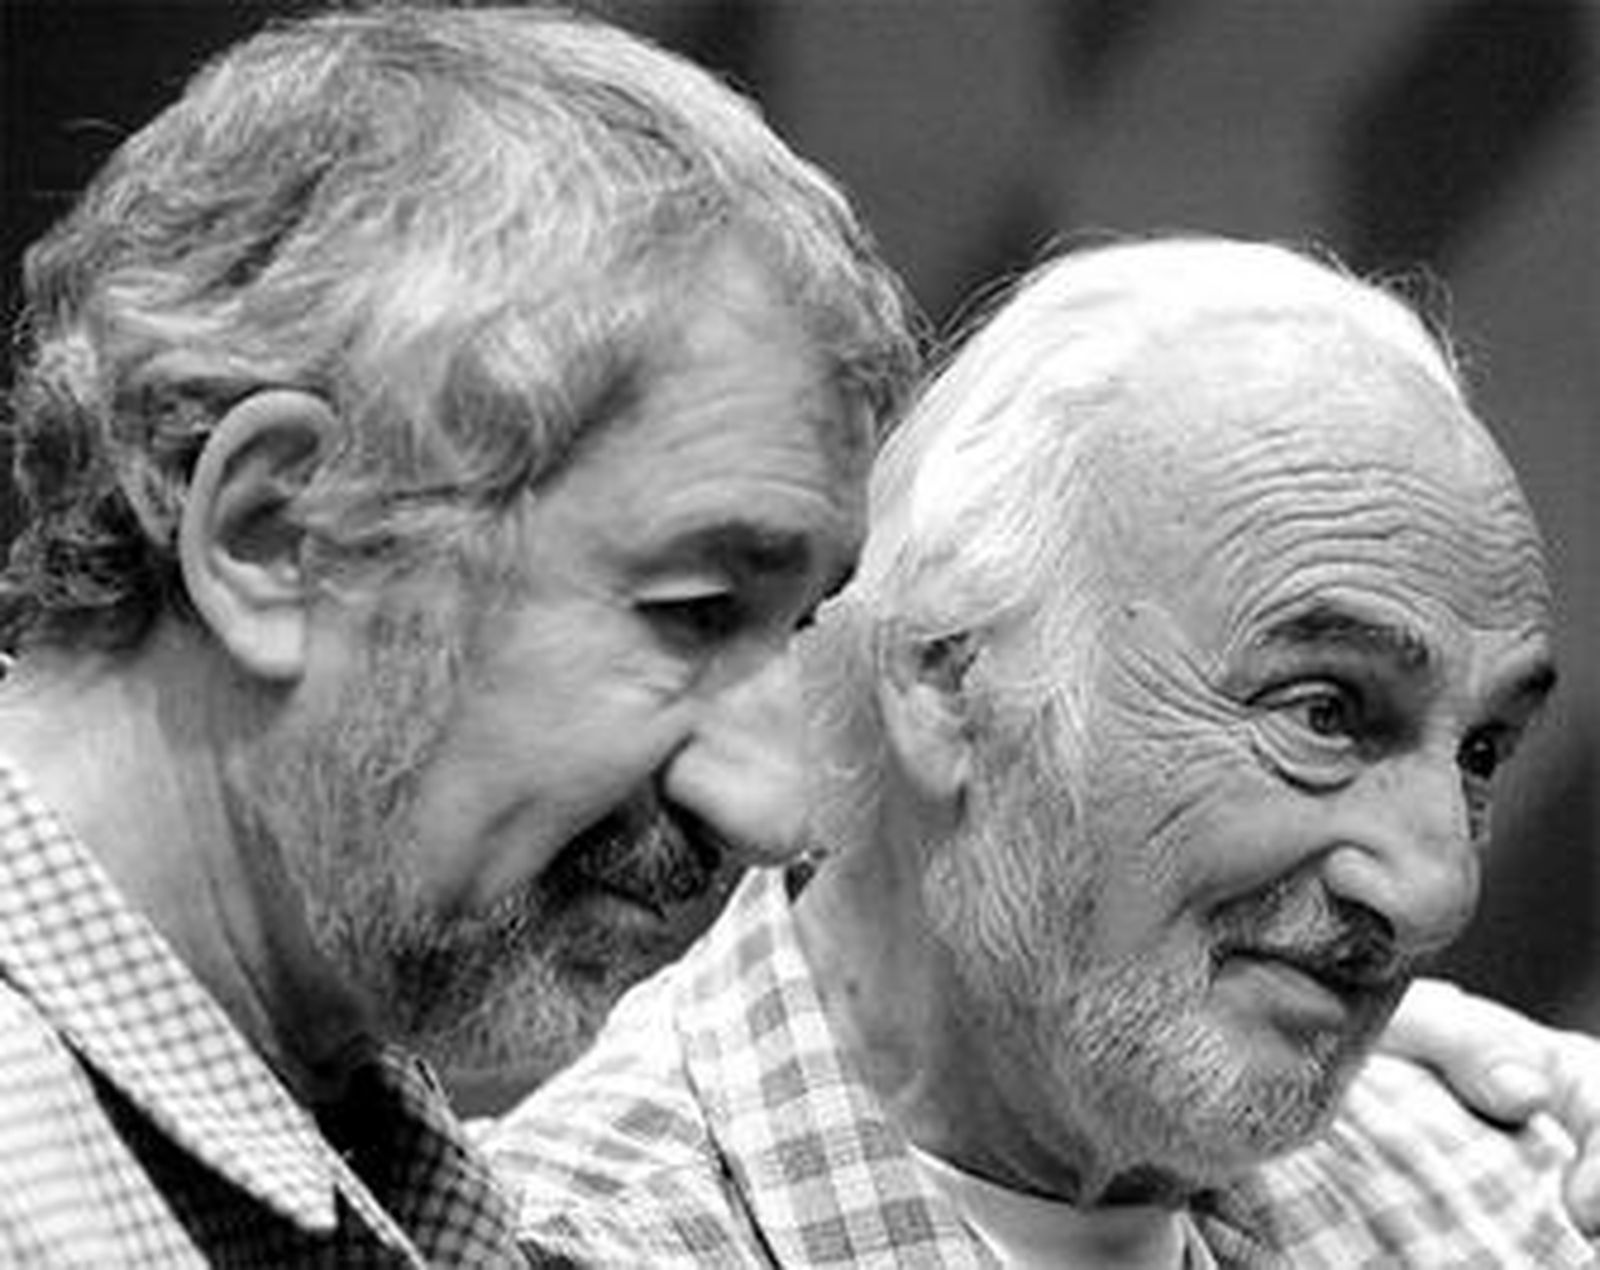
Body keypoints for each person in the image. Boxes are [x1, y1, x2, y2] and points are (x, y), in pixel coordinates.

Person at [483, 236, 1600, 1267]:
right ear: (947, 680)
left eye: (1482, 751)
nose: (1433, 890)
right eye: (1323, 712)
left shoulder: (1520, 1204)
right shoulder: (560, 1246)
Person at [0, 4, 915, 1262]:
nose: (773, 810)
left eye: (796, 625)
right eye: (693, 613)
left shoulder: (381, 1152)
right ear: (276, 533)